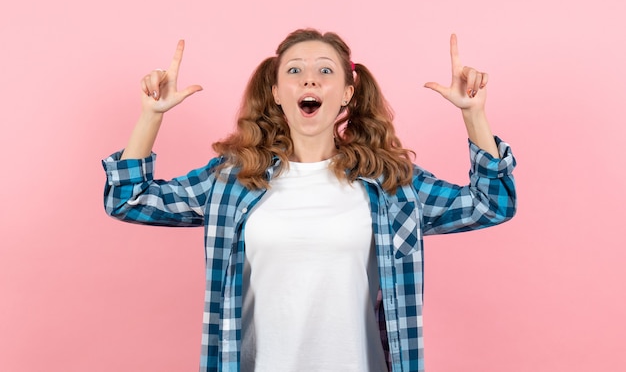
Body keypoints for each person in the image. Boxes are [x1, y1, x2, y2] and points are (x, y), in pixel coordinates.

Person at [102, 28, 517, 372]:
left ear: (348, 93)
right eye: (295, 70)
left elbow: (491, 203)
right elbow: (128, 198)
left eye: (325, 70)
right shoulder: (231, 179)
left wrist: (473, 114)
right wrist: (151, 115)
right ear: (278, 93)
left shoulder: (390, 184)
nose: (309, 80)